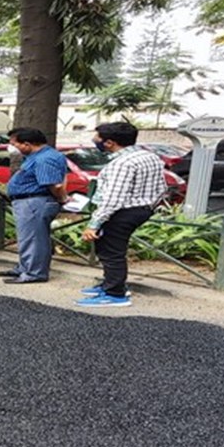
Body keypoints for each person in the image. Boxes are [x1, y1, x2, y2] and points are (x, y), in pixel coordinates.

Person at [76, 122, 168, 308]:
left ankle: (115, 293)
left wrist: (94, 223)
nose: (94, 140)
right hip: (142, 208)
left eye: (97, 137)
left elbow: (113, 199)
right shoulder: (149, 156)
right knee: (114, 248)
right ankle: (111, 284)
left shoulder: (122, 164)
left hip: (121, 212)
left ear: (109, 142)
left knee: (111, 251)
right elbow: (162, 188)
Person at [0, 127, 69, 283]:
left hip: (35, 201)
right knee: (29, 237)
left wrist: (62, 198)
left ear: (27, 144)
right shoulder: (37, 156)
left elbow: (54, 185)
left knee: (33, 238)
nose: (13, 147)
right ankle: (24, 268)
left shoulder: (45, 159)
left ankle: (34, 273)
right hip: (30, 201)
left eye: (15, 144)